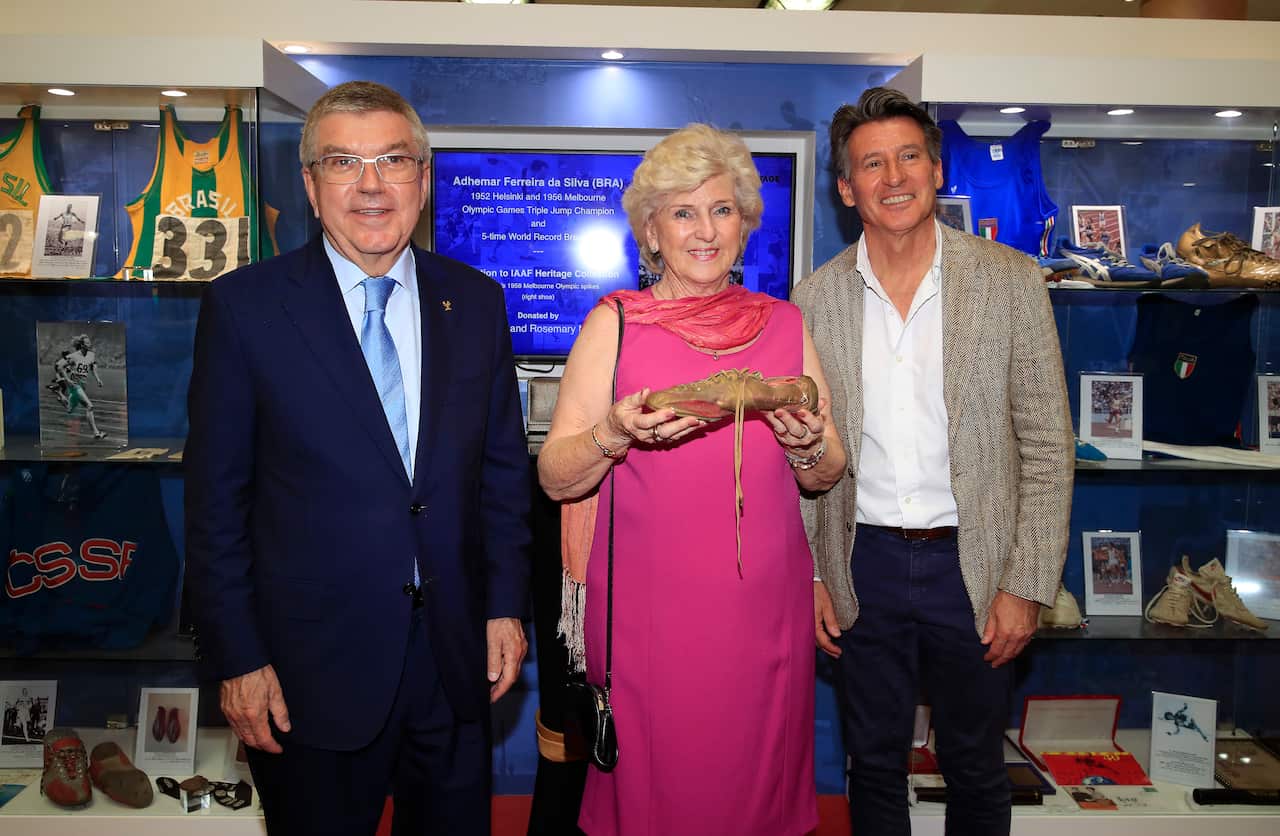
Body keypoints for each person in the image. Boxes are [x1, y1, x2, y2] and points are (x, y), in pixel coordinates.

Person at [184, 80, 531, 836]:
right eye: (343, 162)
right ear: (310, 186)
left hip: (452, 661)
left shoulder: (475, 300)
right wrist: (238, 657)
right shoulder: (245, 309)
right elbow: (215, 504)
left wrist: (504, 604)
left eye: (394, 161)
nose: (371, 186)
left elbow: (502, 474)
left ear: (424, 179)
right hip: (308, 670)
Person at [537, 123, 845, 836]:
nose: (704, 231)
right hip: (649, 622)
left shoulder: (786, 324)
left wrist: (806, 447)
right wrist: (612, 434)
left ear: (745, 225)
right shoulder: (613, 325)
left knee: (756, 799)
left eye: (722, 210)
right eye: (682, 212)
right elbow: (556, 476)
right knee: (659, 802)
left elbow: (827, 469)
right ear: (651, 231)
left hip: (764, 617)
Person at [793, 88, 1073, 836]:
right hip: (865, 564)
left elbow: (1048, 447)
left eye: (909, 156)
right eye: (872, 164)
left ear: (936, 167)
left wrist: (1026, 583)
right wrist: (816, 573)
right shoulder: (813, 300)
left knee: (978, 767)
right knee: (873, 764)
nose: (894, 177)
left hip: (973, 569)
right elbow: (802, 455)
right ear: (847, 188)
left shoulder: (1012, 282)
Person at [64, 334, 107, 440]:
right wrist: (67, 379)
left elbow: (93, 368)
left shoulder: (91, 355)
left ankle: (58, 394)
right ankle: (96, 433)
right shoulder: (73, 356)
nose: (90, 344)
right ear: (82, 345)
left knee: (69, 409)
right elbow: (61, 367)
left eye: (89, 342)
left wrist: (98, 379)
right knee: (90, 406)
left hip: (83, 385)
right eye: (87, 343)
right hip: (75, 385)